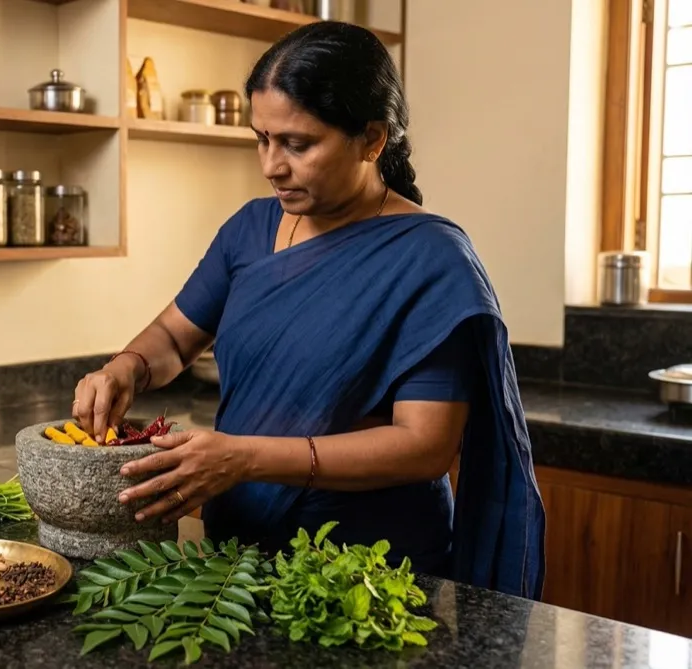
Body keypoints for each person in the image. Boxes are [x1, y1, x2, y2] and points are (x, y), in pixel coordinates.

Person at [71, 21, 545, 599]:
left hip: (366, 577)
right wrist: (126, 367)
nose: (271, 165)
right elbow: (173, 338)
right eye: (262, 138)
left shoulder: (430, 259)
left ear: (373, 140)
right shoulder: (251, 227)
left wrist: (244, 459)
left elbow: (424, 447)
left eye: (297, 144)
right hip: (234, 564)